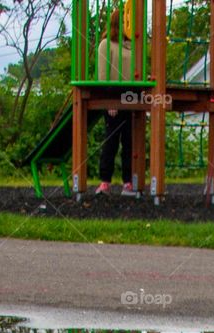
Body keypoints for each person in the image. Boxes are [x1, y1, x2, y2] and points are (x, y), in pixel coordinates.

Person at [96, 9, 136, 196]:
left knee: (129, 141)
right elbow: (103, 75)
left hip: (130, 96)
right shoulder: (106, 44)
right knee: (111, 140)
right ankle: (105, 181)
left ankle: (128, 182)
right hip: (113, 94)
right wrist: (109, 101)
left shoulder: (132, 46)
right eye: (128, 21)